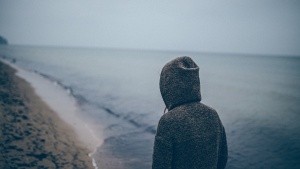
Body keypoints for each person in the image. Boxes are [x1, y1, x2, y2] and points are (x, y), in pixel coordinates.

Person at [152, 56, 228, 169]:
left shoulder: (168, 121)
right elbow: (223, 157)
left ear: (168, 87)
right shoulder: (213, 115)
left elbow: (160, 166)